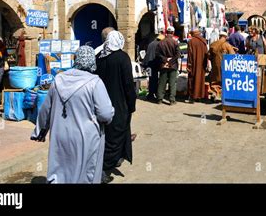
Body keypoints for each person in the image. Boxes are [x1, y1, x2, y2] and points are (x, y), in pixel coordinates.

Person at [31, 46, 115, 183]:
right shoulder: (95, 82)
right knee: (86, 172)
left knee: (61, 169)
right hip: (86, 137)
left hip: (60, 135)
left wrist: (40, 132)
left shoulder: (58, 80)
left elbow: (45, 109)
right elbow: (105, 114)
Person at [96, 31, 137, 182]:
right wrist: (131, 104)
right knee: (116, 135)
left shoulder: (99, 57)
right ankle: (103, 168)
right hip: (119, 103)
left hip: (101, 102)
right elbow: (128, 84)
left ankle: (117, 157)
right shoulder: (122, 58)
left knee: (106, 134)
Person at [156, 26, 181, 105]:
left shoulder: (161, 42)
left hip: (163, 65)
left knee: (162, 82)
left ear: (166, 32)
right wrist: (170, 61)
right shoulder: (175, 42)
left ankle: (159, 99)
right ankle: (172, 100)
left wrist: (165, 60)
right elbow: (177, 54)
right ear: (173, 33)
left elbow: (157, 54)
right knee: (172, 83)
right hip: (173, 65)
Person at [208, 31, 235, 100]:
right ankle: (219, 95)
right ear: (225, 37)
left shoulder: (213, 44)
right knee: (223, 81)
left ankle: (214, 93)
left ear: (219, 36)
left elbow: (208, 55)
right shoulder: (227, 45)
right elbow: (233, 56)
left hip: (215, 66)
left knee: (215, 80)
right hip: (224, 66)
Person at [186, 28, 208, 103]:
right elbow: (206, 54)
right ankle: (199, 96)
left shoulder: (191, 41)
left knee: (192, 79)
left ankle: (192, 97)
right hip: (202, 64)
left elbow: (190, 55)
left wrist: (189, 65)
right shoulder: (204, 41)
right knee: (201, 79)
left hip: (194, 64)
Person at [143, 33, 165, 101]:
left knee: (151, 79)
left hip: (149, 63)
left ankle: (151, 94)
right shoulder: (159, 44)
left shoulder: (151, 43)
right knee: (154, 80)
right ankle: (152, 94)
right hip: (154, 63)